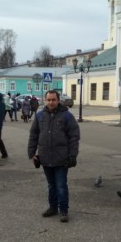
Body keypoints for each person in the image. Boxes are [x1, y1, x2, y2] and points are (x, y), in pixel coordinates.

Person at [28, 90, 80, 222]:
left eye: (53, 100)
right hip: (45, 158)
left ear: (58, 100)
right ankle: (52, 207)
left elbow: (74, 137)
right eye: (49, 100)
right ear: (45, 100)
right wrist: (32, 153)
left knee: (61, 185)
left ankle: (63, 210)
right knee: (51, 185)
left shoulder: (67, 116)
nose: (51, 102)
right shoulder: (40, 116)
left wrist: (73, 155)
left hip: (61, 158)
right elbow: (34, 135)